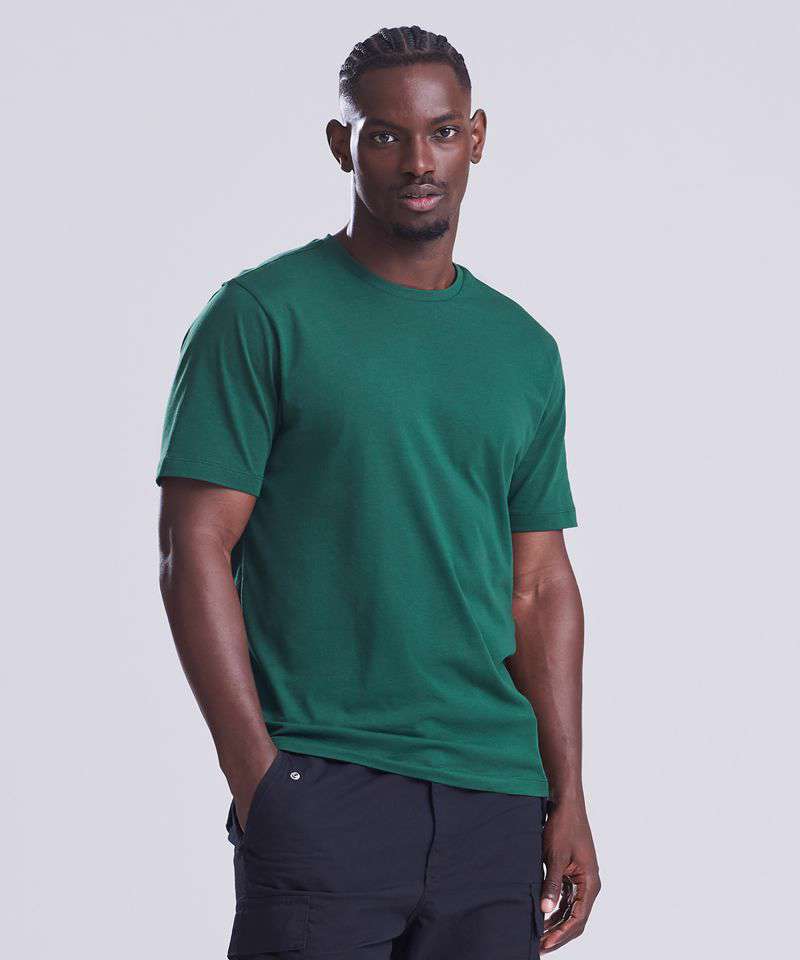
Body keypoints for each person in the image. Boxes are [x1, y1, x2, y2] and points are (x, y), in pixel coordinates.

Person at [156, 23, 600, 959]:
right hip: (325, 781)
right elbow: (193, 547)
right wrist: (258, 778)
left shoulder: (524, 349)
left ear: (476, 137)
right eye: (386, 135)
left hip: (495, 800)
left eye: (442, 132)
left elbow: (539, 585)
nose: (418, 161)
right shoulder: (260, 316)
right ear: (341, 144)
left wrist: (567, 796)